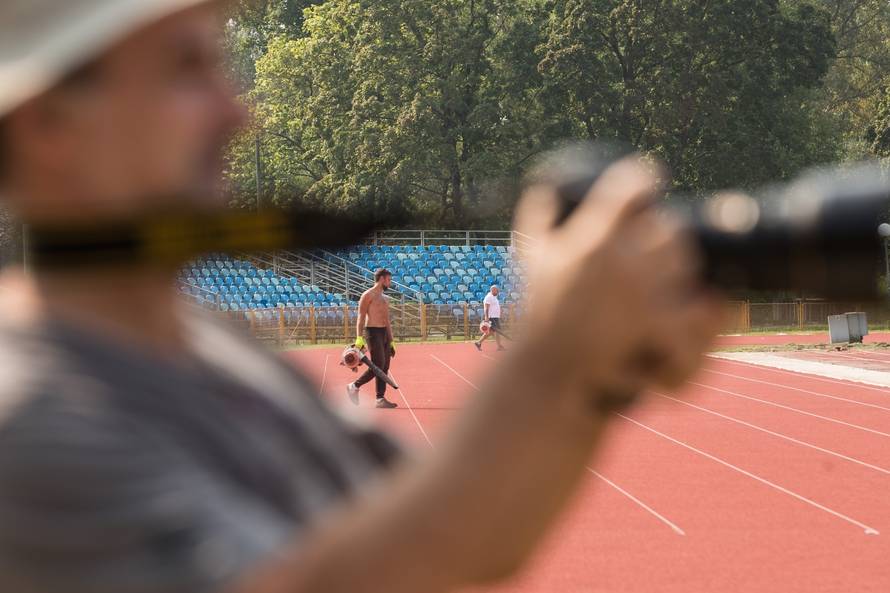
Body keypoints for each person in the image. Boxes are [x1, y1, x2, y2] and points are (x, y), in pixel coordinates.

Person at [0, 2, 725, 593]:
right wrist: (554, 363)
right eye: (189, 67)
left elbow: (460, 533)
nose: (237, 113)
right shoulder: (28, 417)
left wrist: (594, 374)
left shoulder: (210, 344)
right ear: (48, 123)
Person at [347, 268, 398, 409]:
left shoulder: (385, 298)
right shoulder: (367, 295)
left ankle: (380, 399)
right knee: (378, 366)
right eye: (388, 279)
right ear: (381, 279)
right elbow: (361, 317)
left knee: (385, 367)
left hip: (384, 334)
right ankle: (354, 386)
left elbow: (387, 320)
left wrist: (391, 340)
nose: (390, 282)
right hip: (372, 332)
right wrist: (359, 338)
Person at [475, 285, 505, 351]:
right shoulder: (489, 297)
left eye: (497, 290)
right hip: (492, 317)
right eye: (495, 290)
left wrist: (500, 313)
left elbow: (496, 307)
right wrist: (486, 317)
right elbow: (486, 308)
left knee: (491, 332)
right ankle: (499, 346)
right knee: (496, 331)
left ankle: (478, 342)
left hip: (495, 317)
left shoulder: (494, 297)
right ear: (492, 290)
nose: (496, 291)